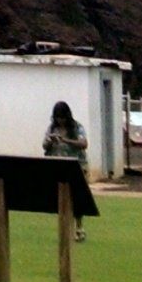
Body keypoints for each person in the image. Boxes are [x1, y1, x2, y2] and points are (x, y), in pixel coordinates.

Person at [43, 98, 89, 235]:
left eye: (62, 118)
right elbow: (44, 146)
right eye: (58, 118)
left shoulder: (77, 128)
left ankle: (79, 226)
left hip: (76, 167)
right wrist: (51, 141)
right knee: (61, 199)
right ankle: (64, 227)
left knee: (77, 198)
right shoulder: (52, 128)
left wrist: (65, 140)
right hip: (58, 166)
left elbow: (83, 144)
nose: (60, 121)